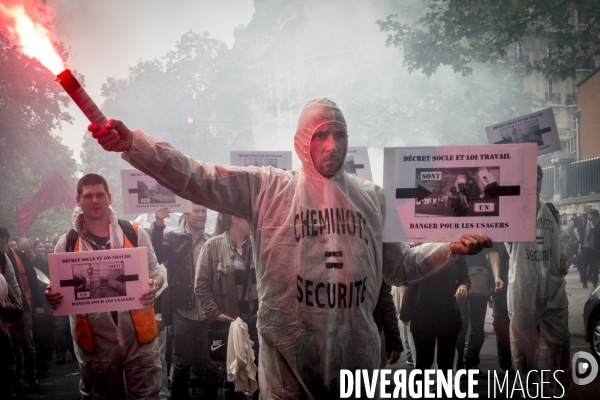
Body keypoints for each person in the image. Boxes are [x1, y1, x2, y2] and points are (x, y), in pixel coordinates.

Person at [89, 98, 491, 397]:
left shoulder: (372, 198)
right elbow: (198, 177)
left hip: (357, 366)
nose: (332, 145)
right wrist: (135, 145)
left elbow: (400, 267)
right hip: (287, 367)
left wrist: (450, 249)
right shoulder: (267, 188)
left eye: (340, 135)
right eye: (321, 135)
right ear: (302, 141)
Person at [44, 174, 164, 400]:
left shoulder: (135, 232)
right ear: (78, 200)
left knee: (148, 396)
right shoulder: (67, 243)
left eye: (100, 194)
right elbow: (58, 290)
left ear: (109, 197)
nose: (94, 200)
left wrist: (153, 285)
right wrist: (51, 295)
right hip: (96, 341)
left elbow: (157, 274)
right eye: (88, 196)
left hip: (140, 336)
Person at [506, 165, 569, 396]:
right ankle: (527, 389)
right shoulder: (514, 213)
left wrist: (562, 258)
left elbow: (559, 240)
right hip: (523, 285)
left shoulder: (551, 210)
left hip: (551, 286)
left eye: (539, 179)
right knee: (522, 343)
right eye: (532, 180)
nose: (537, 184)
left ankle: (556, 389)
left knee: (558, 341)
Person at [151, 205, 220, 399]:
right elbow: (156, 256)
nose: (201, 215)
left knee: (213, 363)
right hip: (182, 310)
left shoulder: (212, 239)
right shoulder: (172, 237)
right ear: (185, 213)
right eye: (196, 211)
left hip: (209, 311)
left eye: (204, 211)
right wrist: (158, 225)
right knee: (183, 363)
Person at [196, 212, 259, 400]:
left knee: (262, 375)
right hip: (232, 324)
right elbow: (201, 285)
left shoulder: (257, 244)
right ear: (235, 218)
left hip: (257, 321)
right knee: (232, 379)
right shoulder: (212, 247)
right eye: (248, 215)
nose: (253, 219)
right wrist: (214, 313)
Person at [403, 255, 469, 388]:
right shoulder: (421, 249)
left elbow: (465, 278)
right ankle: (420, 393)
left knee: (446, 363)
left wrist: (463, 286)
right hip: (422, 313)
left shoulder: (456, 252)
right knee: (423, 362)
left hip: (448, 312)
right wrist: (406, 309)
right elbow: (408, 279)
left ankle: (444, 392)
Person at [489, 242, 513, 373]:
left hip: (521, 284)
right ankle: (505, 363)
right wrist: (497, 276)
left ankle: (526, 362)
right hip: (502, 286)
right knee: (502, 324)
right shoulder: (499, 232)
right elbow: (493, 252)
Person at [578, 209, 600, 288]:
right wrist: (580, 247)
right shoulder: (585, 224)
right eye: (588, 215)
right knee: (584, 265)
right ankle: (584, 282)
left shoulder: (598, 224)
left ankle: (595, 282)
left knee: (594, 266)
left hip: (594, 248)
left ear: (595, 216)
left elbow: (598, 235)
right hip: (585, 247)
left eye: (590, 215)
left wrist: (592, 227)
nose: (589, 217)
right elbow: (582, 236)